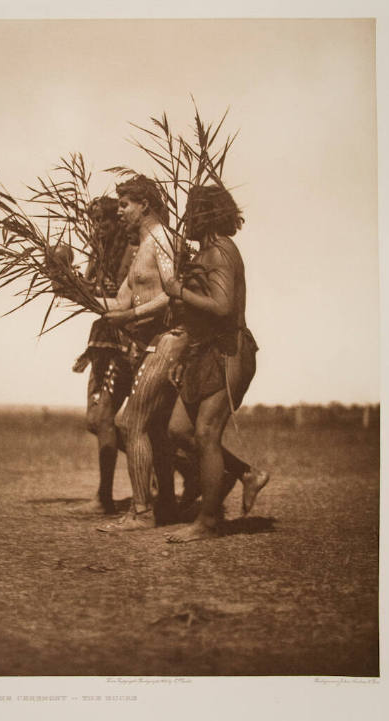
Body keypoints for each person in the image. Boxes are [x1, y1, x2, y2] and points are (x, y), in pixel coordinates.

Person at [162, 184, 269, 543]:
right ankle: (246, 473)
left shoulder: (220, 250)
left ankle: (208, 523)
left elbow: (222, 308)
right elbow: (200, 317)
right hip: (205, 351)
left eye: (191, 211)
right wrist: (187, 354)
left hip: (229, 351)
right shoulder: (204, 252)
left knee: (207, 432)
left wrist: (178, 292)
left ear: (205, 214)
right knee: (179, 430)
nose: (184, 218)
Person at [95, 175, 190, 532]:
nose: (119, 212)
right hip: (156, 342)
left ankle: (142, 511)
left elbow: (173, 294)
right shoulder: (142, 249)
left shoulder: (161, 240)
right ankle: (162, 506)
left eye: (124, 205)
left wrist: (131, 316)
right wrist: (69, 289)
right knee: (154, 427)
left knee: (128, 422)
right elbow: (118, 302)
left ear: (145, 205)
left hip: (170, 340)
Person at [52, 196, 135, 515]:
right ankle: (171, 467)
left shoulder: (130, 251)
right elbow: (91, 290)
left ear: (117, 221)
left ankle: (105, 498)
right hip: (103, 342)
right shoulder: (99, 254)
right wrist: (64, 277)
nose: (99, 226)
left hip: (124, 341)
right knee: (95, 421)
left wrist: (80, 288)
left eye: (105, 220)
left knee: (103, 419)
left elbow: (120, 299)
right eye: (95, 221)